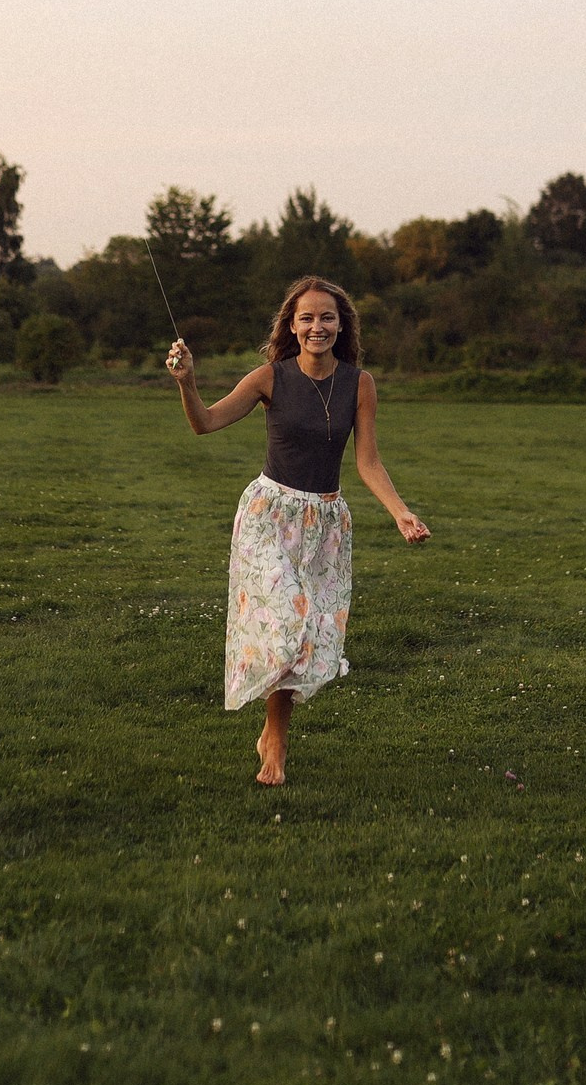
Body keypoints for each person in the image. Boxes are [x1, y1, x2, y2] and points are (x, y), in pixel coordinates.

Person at [166, 275, 431, 786]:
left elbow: (368, 462)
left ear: (341, 325)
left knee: (306, 634)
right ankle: (278, 740)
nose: (317, 326)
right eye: (307, 318)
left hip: (325, 523)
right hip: (269, 516)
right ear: (292, 325)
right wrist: (187, 382)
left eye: (327, 317)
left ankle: (275, 732)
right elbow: (204, 422)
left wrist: (400, 512)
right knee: (289, 619)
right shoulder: (269, 378)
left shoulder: (360, 383)